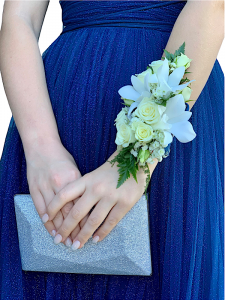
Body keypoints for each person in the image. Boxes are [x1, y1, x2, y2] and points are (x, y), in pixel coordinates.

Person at [0, 0, 224, 299]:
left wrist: (136, 157)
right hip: (54, 114)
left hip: (172, 108)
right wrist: (41, 148)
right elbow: (18, 17)